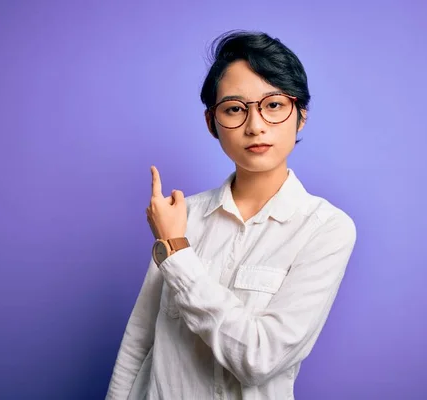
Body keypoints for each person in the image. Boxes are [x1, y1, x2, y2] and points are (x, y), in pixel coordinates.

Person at [106, 30, 357, 400]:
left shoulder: (326, 229)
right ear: (212, 123)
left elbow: (259, 359)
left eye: (273, 105)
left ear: (300, 115)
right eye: (235, 109)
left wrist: (176, 253)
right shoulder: (181, 215)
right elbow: (139, 340)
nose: (255, 126)